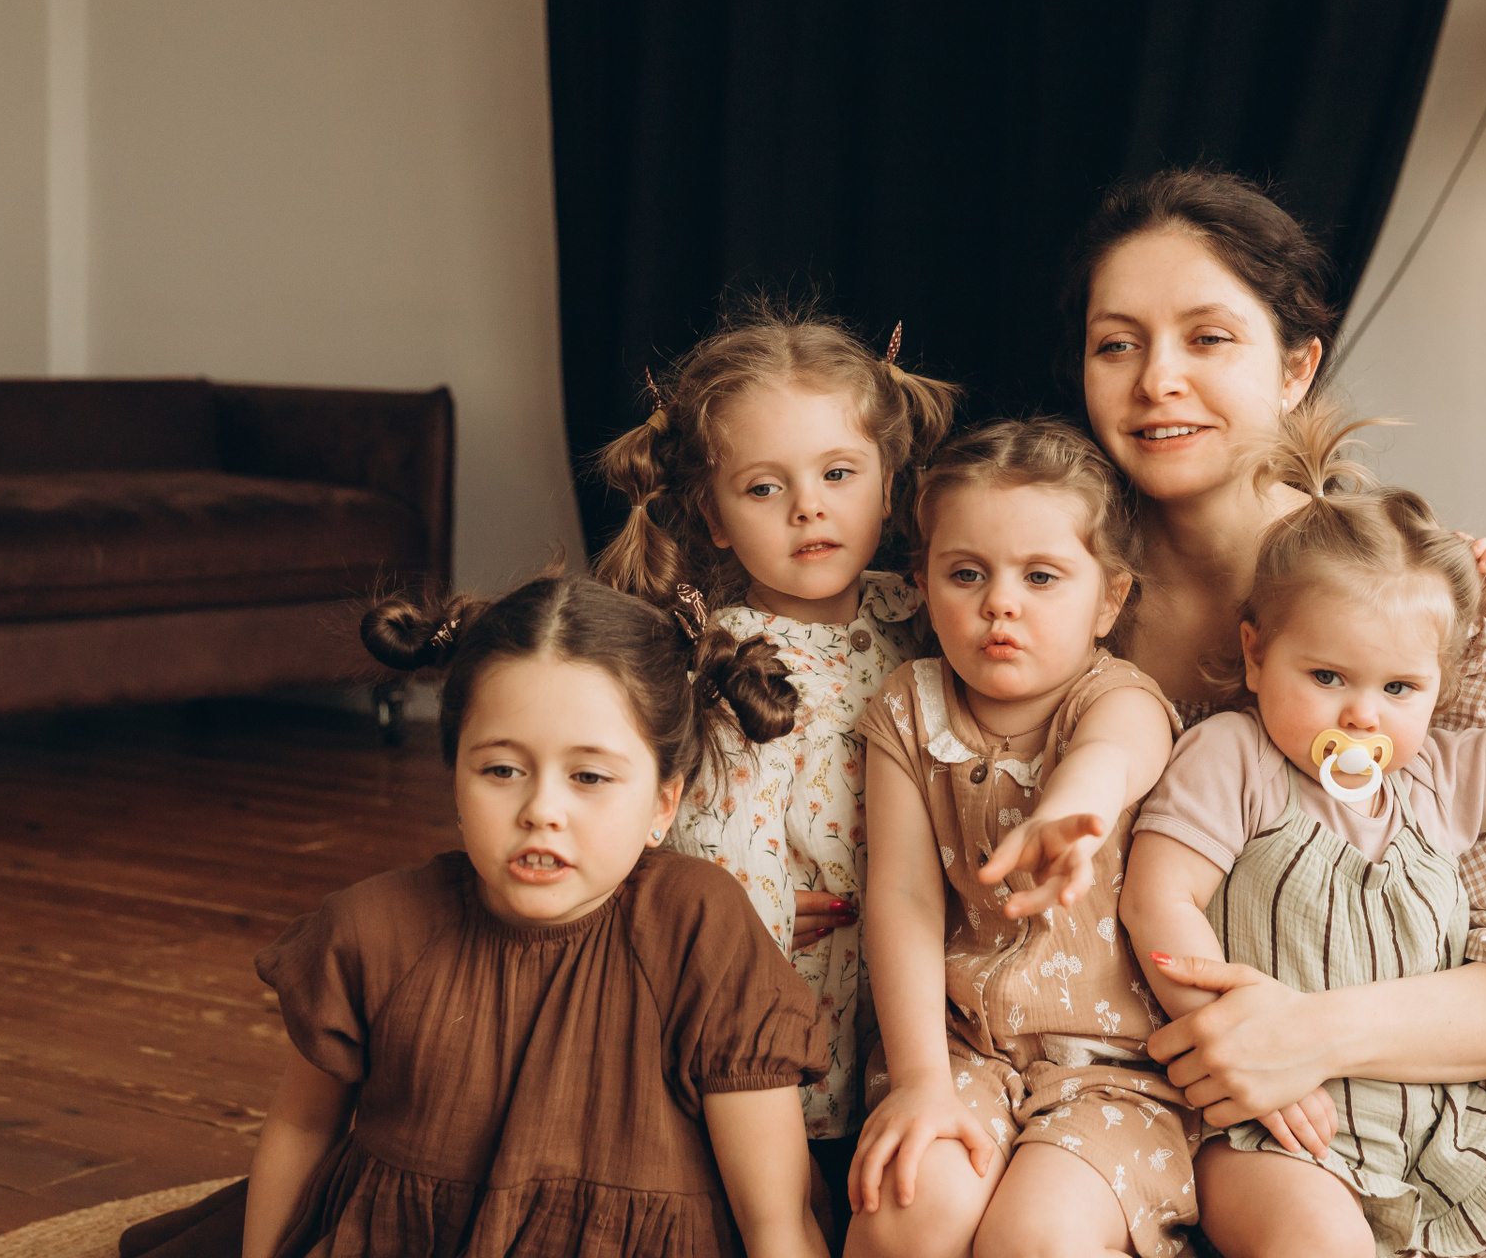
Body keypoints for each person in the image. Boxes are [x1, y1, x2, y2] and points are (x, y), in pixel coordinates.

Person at [1062, 165, 1486, 1146]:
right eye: (1116, 344)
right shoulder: (1042, 592)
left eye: (1209, 338)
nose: (1157, 379)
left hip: (1348, 1111)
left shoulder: (1404, 599)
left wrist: (1299, 1036)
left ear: (1297, 369)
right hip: (1087, 1089)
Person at [118, 572, 830, 1258]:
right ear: (455, 775)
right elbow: (302, 1130)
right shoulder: (373, 929)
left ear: (663, 804)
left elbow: (774, 1214)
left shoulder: (700, 928)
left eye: (589, 776)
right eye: (501, 770)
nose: (541, 811)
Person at [1120, 405, 1486, 1257]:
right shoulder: (1234, 755)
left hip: (1436, 1113)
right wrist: (1232, 1040)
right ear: (1256, 656)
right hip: (1275, 1127)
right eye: (1327, 676)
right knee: (1321, 1242)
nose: (1362, 714)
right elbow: (1156, 900)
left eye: (1399, 689)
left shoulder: (1433, 779)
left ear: (1438, 688)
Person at [849, 419, 1311, 1258]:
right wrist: (919, 1082)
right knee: (908, 1211)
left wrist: (1068, 811)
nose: (1001, 602)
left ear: (1109, 600)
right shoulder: (907, 706)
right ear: (921, 586)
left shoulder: (1119, 697)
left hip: (1119, 1071)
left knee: (1037, 1238)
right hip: (957, 1048)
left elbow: (1113, 756)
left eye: (1041, 576)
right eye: (966, 573)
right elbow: (905, 896)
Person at [594, 303, 958, 1225]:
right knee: (779, 1190)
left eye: (839, 473)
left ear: (888, 488)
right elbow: (705, 831)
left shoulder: (929, 617)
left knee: (891, 1178)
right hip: (784, 986)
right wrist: (757, 919)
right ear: (714, 519)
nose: (809, 507)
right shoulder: (721, 659)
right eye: (764, 487)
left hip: (912, 992)